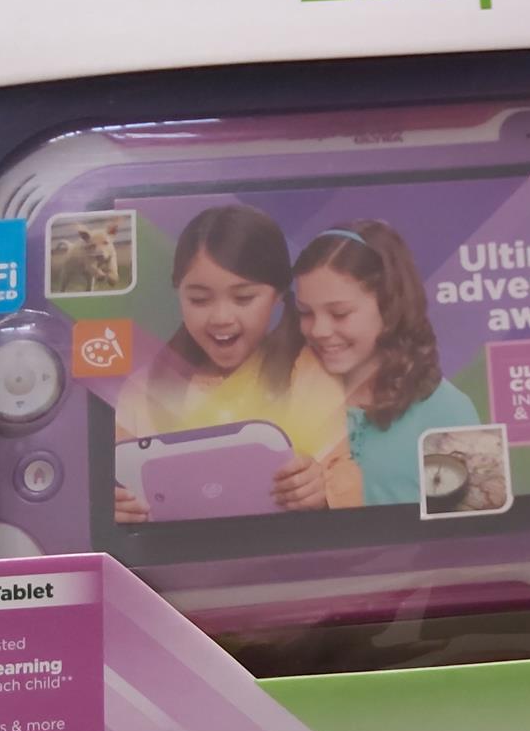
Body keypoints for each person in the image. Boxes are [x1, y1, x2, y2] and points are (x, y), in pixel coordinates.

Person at [114, 204, 356, 521]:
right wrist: (118, 508)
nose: (221, 317)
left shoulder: (313, 377)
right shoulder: (143, 390)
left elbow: (356, 481)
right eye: (199, 299)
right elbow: (116, 492)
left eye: (243, 298)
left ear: (279, 295)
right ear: (178, 293)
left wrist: (321, 489)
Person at [293, 221, 479, 506]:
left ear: (389, 306)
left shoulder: (449, 411)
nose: (318, 330)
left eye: (340, 313)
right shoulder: (291, 394)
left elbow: (477, 525)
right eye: (305, 312)